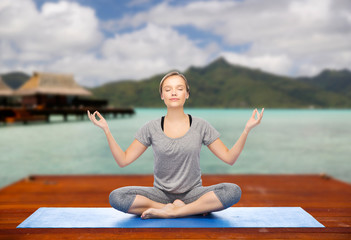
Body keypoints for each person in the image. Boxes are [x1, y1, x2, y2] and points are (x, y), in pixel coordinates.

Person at [87, 71, 264, 219]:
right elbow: (123, 160)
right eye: (168, 89)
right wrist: (106, 130)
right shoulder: (151, 128)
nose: (174, 93)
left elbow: (229, 158)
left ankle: (175, 212)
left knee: (232, 191)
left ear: (187, 94)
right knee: (117, 197)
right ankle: (184, 209)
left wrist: (247, 130)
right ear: (162, 96)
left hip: (193, 193)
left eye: (179, 89)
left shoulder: (201, 125)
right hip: (160, 195)